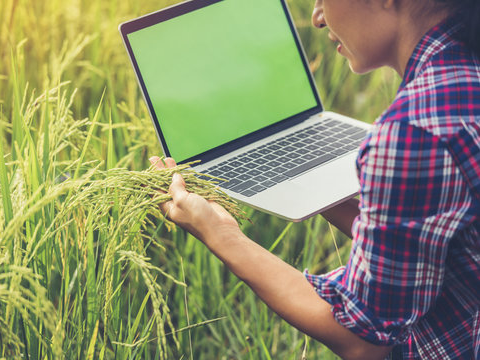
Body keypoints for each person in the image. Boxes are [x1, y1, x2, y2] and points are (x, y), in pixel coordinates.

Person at [150, 0, 480, 358]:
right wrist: (305, 182)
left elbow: (363, 339)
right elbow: (431, 245)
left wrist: (220, 232)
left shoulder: (413, 133)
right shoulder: (461, 79)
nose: (317, 18)